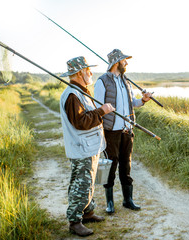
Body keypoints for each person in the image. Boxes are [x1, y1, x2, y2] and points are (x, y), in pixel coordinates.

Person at [59, 56, 115, 236]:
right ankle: (75, 221)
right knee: (81, 184)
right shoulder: (72, 95)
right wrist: (102, 111)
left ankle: (88, 212)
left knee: (89, 182)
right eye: (87, 70)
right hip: (81, 148)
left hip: (89, 147)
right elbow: (81, 122)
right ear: (80, 73)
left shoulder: (80, 92)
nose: (91, 72)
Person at [94, 49, 152, 214]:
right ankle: (110, 203)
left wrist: (143, 100)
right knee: (111, 166)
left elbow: (131, 102)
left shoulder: (126, 81)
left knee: (126, 166)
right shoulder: (102, 81)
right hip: (111, 131)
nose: (126, 63)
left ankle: (128, 200)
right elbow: (98, 108)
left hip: (127, 130)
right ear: (116, 63)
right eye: (124, 60)